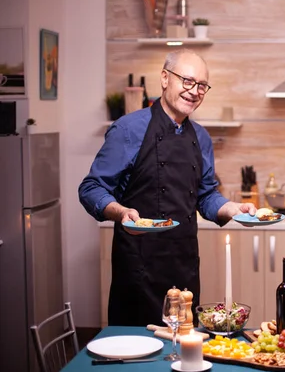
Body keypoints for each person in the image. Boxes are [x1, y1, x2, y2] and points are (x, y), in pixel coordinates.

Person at [79, 49, 256, 326]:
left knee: (183, 355)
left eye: (201, 85)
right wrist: (119, 211)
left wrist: (232, 209)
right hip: (138, 270)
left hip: (184, 267)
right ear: (164, 78)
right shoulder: (128, 130)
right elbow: (91, 188)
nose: (194, 91)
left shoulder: (201, 137)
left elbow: (205, 195)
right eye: (187, 81)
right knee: (137, 360)